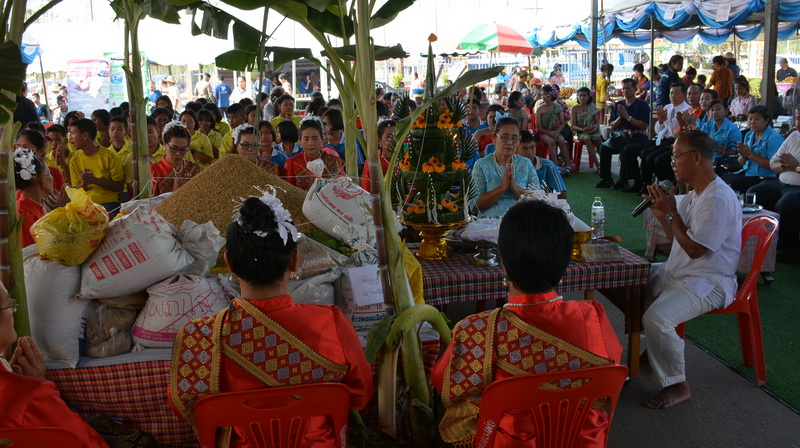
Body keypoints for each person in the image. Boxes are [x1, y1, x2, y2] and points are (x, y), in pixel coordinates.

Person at [169, 189, 372, 445]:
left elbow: (189, 408)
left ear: (229, 263)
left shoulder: (200, 336)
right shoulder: (330, 323)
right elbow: (359, 396)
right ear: (295, 261)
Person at [434, 199, 622, 446]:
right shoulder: (593, 315)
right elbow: (611, 370)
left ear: (503, 260)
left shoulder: (476, 330)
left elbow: (443, 382)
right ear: (564, 262)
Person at [642, 130, 741, 410]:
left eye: (676, 156)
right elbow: (678, 240)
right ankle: (655, 350)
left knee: (657, 318)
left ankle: (678, 385)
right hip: (682, 270)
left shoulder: (718, 198)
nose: (672, 162)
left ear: (696, 157)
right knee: (629, 282)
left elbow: (696, 250)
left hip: (708, 281)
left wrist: (671, 212)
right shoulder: (696, 194)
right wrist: (663, 214)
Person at [0, 282, 108, 446]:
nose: (12, 312)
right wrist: (33, 387)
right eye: (8, 305)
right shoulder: (28, 396)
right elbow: (89, 444)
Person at [748, 105, 800, 262]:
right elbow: (773, 163)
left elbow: (789, 165)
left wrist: (796, 167)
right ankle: (759, 240)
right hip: (781, 182)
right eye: (798, 118)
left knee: (786, 204)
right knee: (754, 193)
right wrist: (786, 167)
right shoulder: (794, 136)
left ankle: (789, 248)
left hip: (797, 188)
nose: (799, 123)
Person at [619, 83, 690, 194]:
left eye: (676, 93)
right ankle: (639, 182)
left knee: (651, 157)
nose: (673, 96)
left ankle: (664, 185)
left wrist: (665, 120)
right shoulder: (667, 107)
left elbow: (676, 133)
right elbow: (657, 130)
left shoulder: (686, 110)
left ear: (684, 95)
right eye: (671, 93)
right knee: (629, 150)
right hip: (660, 138)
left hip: (673, 142)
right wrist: (661, 121)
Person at [469, 117, 539, 218]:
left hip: (522, 221)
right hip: (490, 222)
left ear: (519, 140)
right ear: (494, 138)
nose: (509, 142)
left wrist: (515, 189)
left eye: (514, 138)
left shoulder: (525, 163)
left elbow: (538, 199)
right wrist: (501, 188)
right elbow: (474, 205)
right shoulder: (481, 165)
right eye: (505, 137)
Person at [595, 78, 650, 188]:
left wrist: (628, 117)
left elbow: (644, 125)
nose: (625, 91)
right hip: (621, 136)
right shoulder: (619, 105)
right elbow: (612, 126)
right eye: (623, 88)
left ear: (635, 89)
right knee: (604, 147)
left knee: (627, 150)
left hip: (637, 136)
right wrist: (620, 117)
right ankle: (606, 178)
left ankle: (632, 180)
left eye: (628, 88)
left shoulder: (642, 104)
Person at [721, 105, 783, 193]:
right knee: (719, 182)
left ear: (766, 120)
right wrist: (742, 155)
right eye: (750, 119)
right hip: (746, 173)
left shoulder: (774, 138)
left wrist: (750, 155)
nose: (752, 122)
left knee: (729, 186)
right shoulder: (749, 135)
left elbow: (774, 165)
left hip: (764, 178)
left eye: (757, 119)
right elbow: (741, 161)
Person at [68, 118, 124, 215]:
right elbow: (75, 190)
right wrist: (84, 182)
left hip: (107, 203)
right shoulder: (74, 160)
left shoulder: (109, 156)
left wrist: (95, 180)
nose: (70, 139)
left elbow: (119, 186)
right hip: (84, 204)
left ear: (85, 136)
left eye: (73, 133)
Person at [284, 118, 343, 191]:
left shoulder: (334, 161)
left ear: (322, 139)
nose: (310, 143)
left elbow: (342, 186)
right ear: (300, 140)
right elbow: (289, 192)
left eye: (315, 139)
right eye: (306, 139)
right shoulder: (292, 164)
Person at [13, 148, 54, 247]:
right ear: (40, 178)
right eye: (48, 173)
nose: (52, 177)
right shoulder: (23, 214)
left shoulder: (35, 204)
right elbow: (29, 252)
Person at [150, 121, 202, 196]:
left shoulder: (194, 169)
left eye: (183, 150)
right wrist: (175, 194)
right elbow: (152, 201)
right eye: (174, 148)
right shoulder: (154, 170)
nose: (178, 154)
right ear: (165, 144)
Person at [516, 130, 567, 199]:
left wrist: (539, 197)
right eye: (524, 148)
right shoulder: (512, 167)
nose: (529, 152)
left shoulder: (548, 166)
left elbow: (562, 195)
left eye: (532, 147)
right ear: (515, 150)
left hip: (546, 204)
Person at [701, 99, 742, 171]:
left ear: (726, 111)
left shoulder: (733, 129)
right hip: (707, 163)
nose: (714, 112)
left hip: (725, 166)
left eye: (718, 109)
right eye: (712, 110)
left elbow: (735, 153)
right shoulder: (707, 125)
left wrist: (715, 148)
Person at [536, 85, 570, 170]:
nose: (543, 97)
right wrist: (549, 133)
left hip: (556, 131)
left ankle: (568, 166)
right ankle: (556, 167)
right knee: (551, 142)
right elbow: (539, 127)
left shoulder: (558, 107)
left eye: (545, 94)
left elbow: (563, 123)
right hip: (544, 132)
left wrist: (557, 132)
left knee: (561, 140)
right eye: (542, 94)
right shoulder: (540, 109)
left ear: (551, 95)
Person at [360, 118, 397, 191]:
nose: (394, 139)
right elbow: (367, 190)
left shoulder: (406, 159)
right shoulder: (373, 162)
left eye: (397, 135)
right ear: (379, 141)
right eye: (389, 136)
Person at [571, 87, 602, 170]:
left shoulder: (592, 107)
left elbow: (597, 123)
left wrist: (593, 130)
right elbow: (573, 126)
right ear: (577, 97)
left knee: (599, 139)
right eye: (580, 95)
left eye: (584, 95)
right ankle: (598, 165)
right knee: (587, 138)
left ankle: (604, 163)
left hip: (593, 130)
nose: (582, 98)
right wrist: (583, 130)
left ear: (588, 96)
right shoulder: (574, 108)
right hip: (581, 132)